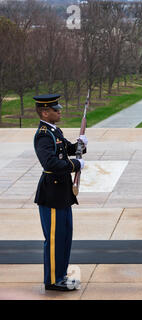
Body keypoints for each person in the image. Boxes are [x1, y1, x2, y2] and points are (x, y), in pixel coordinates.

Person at [33, 94, 87, 291]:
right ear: (45, 112)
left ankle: (61, 276)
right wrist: (75, 165)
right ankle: (54, 281)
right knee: (55, 240)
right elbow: (50, 163)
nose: (60, 111)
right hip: (53, 194)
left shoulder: (55, 131)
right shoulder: (43, 135)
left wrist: (80, 145)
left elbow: (65, 151)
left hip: (63, 194)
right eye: (56, 110)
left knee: (64, 237)